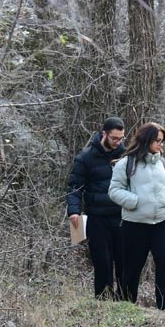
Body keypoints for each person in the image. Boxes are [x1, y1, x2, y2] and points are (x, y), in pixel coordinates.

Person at [108, 122, 165, 312]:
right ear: (146, 140)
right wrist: (134, 201)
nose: (160, 145)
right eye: (157, 141)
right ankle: (126, 304)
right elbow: (114, 190)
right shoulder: (126, 163)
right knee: (131, 267)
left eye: (162, 141)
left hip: (163, 222)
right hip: (135, 224)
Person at [66, 117, 126, 300]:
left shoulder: (126, 156)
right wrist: (74, 211)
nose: (118, 142)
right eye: (114, 138)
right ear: (104, 134)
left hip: (122, 215)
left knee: (124, 260)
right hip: (96, 217)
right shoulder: (85, 157)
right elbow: (74, 186)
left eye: (121, 138)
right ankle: (103, 300)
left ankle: (124, 299)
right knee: (102, 261)